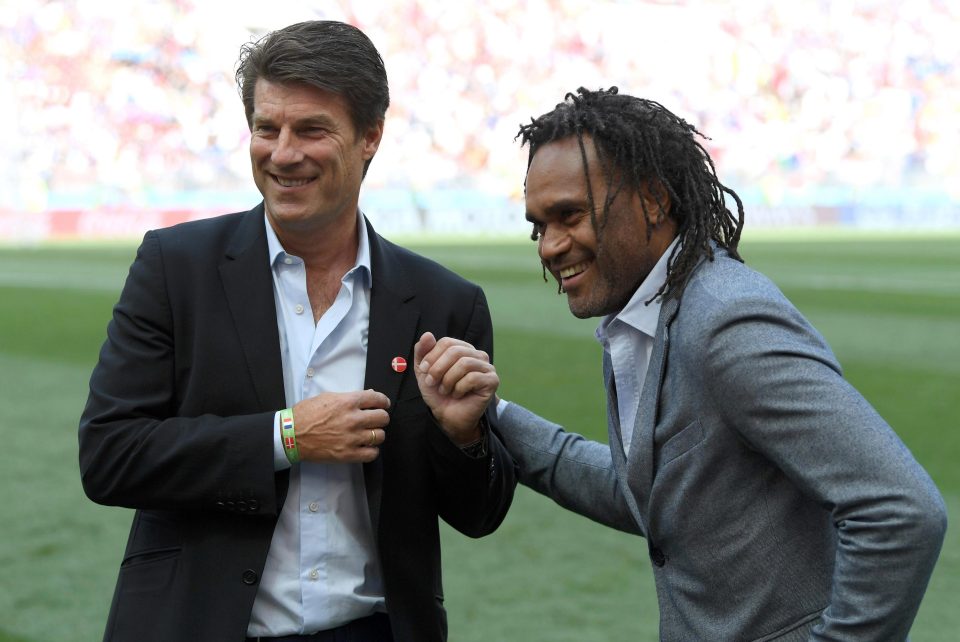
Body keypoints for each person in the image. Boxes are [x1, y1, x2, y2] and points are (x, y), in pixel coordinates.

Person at [418, 87, 947, 640]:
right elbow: (654, 495)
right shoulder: (642, 315)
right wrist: (492, 415)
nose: (549, 246)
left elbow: (901, 511)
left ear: (653, 200)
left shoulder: (725, 321)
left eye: (569, 215)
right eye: (537, 226)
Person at [78, 20, 515, 642]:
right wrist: (287, 436)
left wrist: (464, 436)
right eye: (267, 128)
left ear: (370, 137)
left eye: (311, 130)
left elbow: (480, 513)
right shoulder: (175, 268)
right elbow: (109, 456)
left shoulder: (445, 302)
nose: (283, 153)